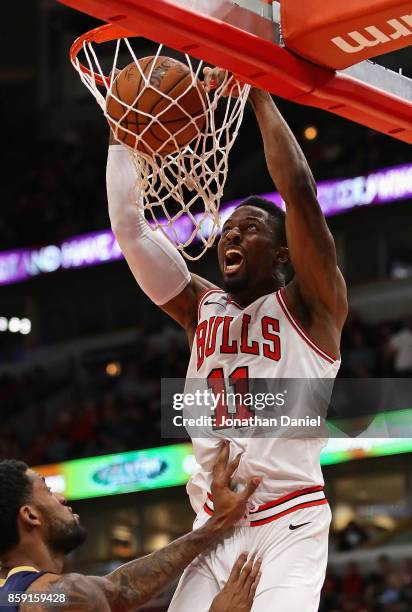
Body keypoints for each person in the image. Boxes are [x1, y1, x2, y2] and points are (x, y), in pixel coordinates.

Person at [107, 69, 348, 611]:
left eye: (251, 228)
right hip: (212, 529)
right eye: (228, 229)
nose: (232, 234)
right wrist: (120, 133)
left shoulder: (312, 308)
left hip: (290, 519)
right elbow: (130, 226)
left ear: (283, 254)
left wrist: (258, 88)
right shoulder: (200, 306)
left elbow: (300, 191)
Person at [0, 444, 261, 612]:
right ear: (31, 516)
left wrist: (216, 523)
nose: (62, 498)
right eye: (47, 490)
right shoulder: (66, 599)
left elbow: (120, 589)